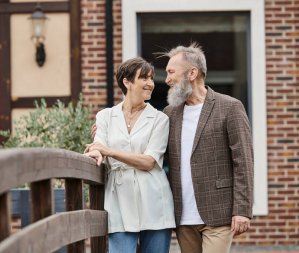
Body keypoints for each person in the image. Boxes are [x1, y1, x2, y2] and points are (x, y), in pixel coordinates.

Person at [163, 43, 254, 253]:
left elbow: (244, 161)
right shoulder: (169, 113)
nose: (166, 79)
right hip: (183, 215)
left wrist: (242, 210)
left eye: (171, 72)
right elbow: (153, 152)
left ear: (192, 73)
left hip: (219, 212)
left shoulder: (230, 107)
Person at [84, 57, 175, 253]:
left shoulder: (160, 119)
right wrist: (96, 152)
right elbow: (97, 147)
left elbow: (149, 161)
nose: (151, 84)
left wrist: (108, 151)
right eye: (144, 78)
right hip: (119, 199)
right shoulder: (105, 116)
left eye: (151, 78)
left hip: (154, 199)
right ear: (127, 82)